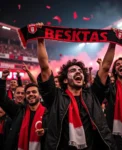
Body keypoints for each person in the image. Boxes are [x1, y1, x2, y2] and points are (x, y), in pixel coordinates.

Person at [36, 22, 117, 150]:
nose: (78, 72)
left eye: (80, 71)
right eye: (73, 70)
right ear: (65, 80)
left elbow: (106, 67)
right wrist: (40, 39)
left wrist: (113, 42)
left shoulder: (93, 95)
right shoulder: (55, 97)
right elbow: (45, 67)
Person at [0, 69, 46, 150]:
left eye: (34, 92)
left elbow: (55, 131)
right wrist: (3, 79)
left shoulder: (48, 112)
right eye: (28, 93)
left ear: (39, 95)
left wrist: (45, 131)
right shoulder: (19, 111)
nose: (31, 94)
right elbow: (2, 99)